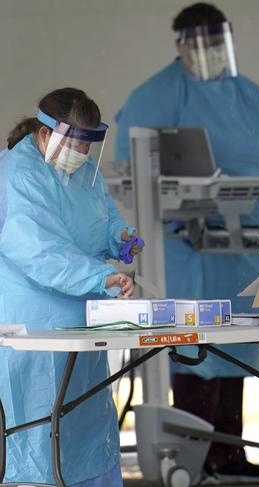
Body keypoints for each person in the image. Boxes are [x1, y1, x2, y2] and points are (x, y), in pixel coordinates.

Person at [115, 2, 259, 479]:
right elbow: (130, 167)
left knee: (234, 348)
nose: (213, 53)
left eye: (220, 44)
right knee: (191, 351)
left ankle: (228, 454)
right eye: (204, 45)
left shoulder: (250, 96)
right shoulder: (157, 95)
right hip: (183, 250)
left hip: (241, 246)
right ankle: (192, 458)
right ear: (180, 46)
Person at [0, 88, 141, 485]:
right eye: (73, 141)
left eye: (86, 143)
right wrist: (99, 277)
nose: (79, 153)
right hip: (30, 320)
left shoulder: (79, 172)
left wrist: (120, 235)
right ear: (45, 133)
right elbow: (37, 248)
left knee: (83, 418)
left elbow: (102, 214)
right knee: (37, 426)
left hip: (81, 318)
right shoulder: (18, 173)